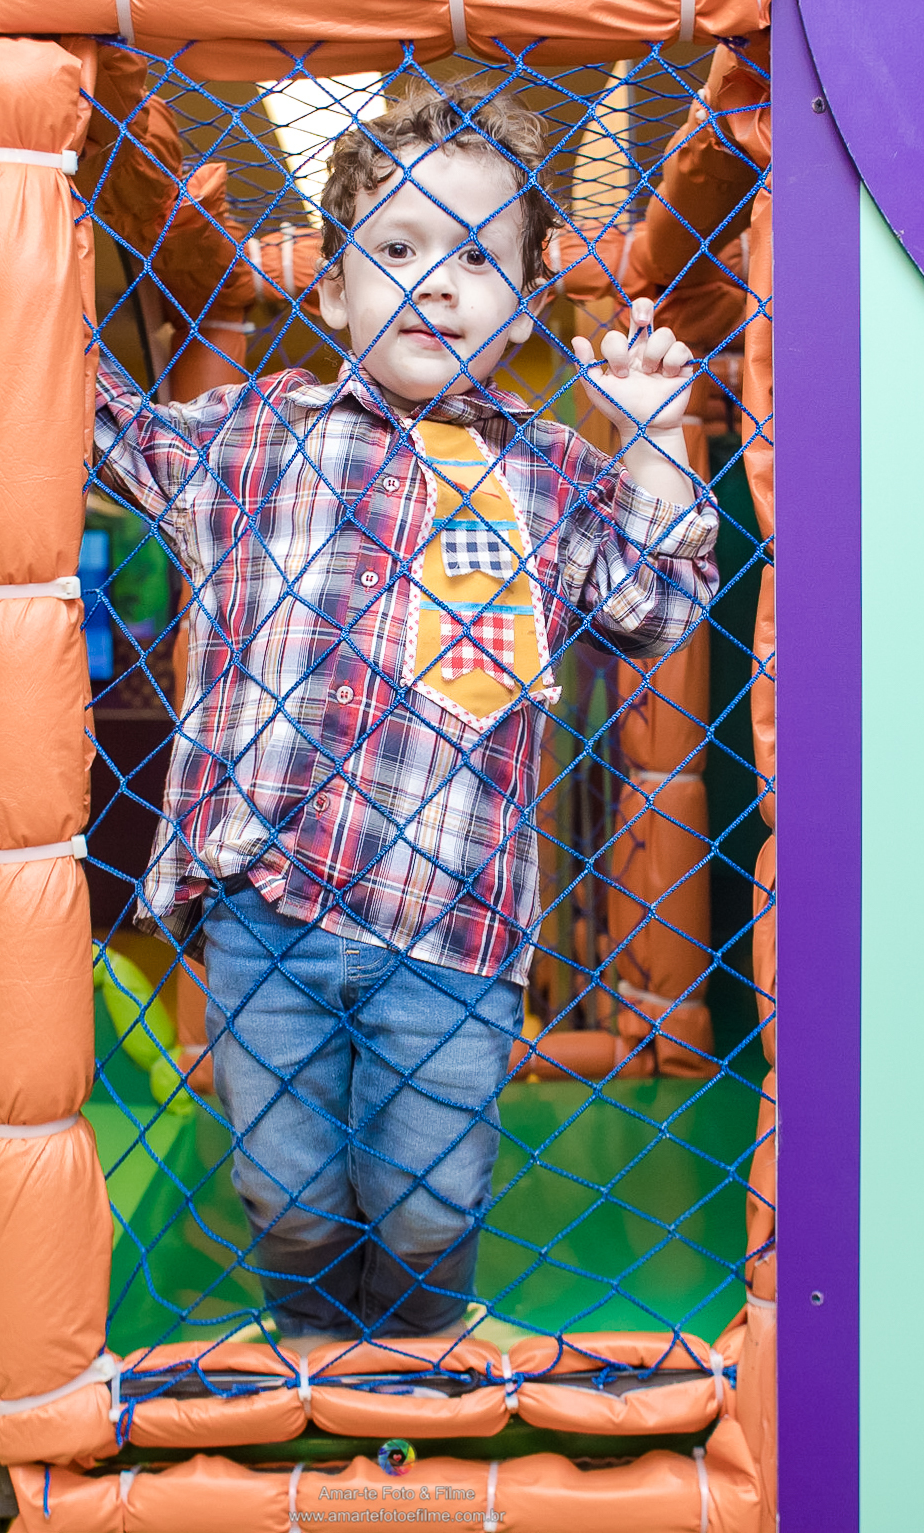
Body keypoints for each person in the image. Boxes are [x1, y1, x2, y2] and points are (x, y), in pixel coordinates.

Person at [93, 81, 718, 1345]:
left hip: (453, 921)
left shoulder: (550, 469)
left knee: (430, 1204)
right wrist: (33, 232)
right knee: (284, 1193)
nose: (439, 283)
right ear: (332, 293)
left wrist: (655, 443)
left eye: (479, 257)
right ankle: (315, 1351)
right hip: (265, 901)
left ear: (526, 305)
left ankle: (422, 1351)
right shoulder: (256, 435)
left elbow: (654, 611)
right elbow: (107, 430)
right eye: (397, 247)